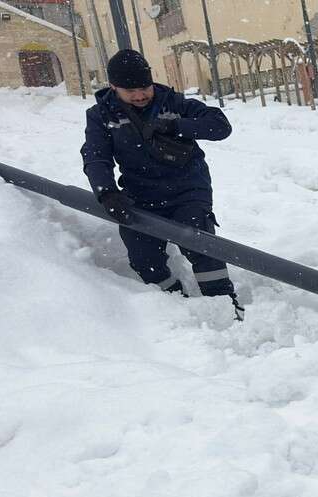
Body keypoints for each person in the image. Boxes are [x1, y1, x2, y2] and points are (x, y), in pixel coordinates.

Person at [80, 49, 240, 318]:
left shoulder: (171, 102)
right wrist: (106, 192)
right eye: (130, 91)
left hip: (188, 189)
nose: (140, 95)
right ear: (113, 87)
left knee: (201, 246)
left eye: (145, 87)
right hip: (140, 195)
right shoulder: (101, 115)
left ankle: (225, 305)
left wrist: (177, 126)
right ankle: (175, 306)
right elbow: (96, 156)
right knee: (144, 258)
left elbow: (220, 126)